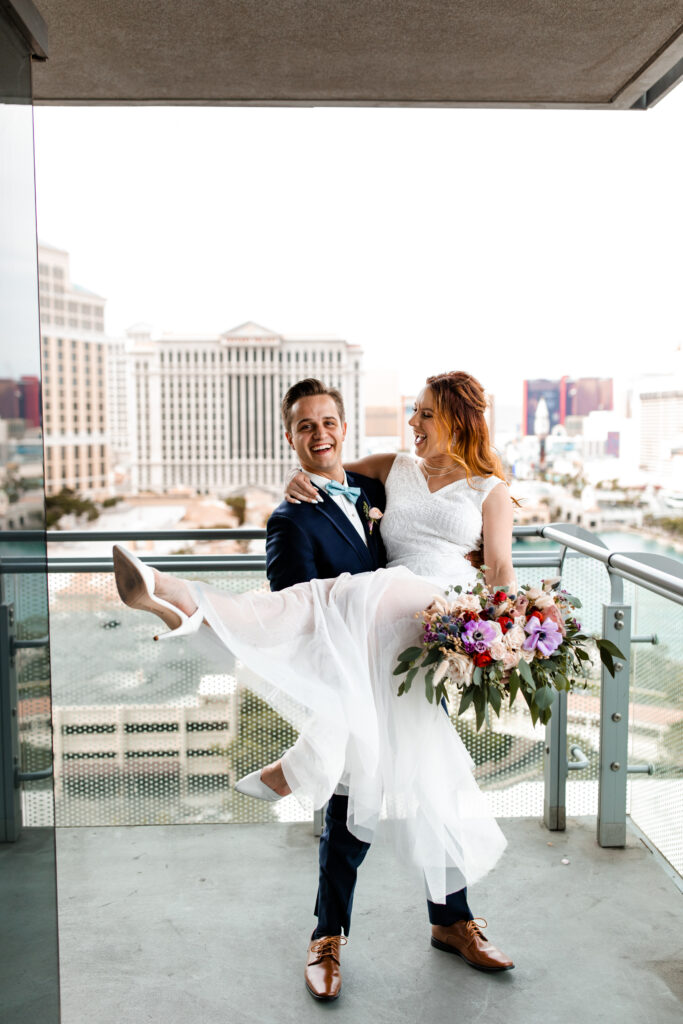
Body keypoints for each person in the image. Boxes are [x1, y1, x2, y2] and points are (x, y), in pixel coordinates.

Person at [112, 370, 516, 1000]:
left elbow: (499, 573)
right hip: (381, 644)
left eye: (426, 413)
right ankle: (345, 933)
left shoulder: (490, 488)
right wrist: (295, 479)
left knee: (428, 782)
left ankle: (184, 603)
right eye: (413, 410)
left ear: (458, 417)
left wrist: (506, 640)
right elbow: (329, 474)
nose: (414, 421)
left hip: (436, 617)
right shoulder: (393, 467)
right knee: (373, 784)